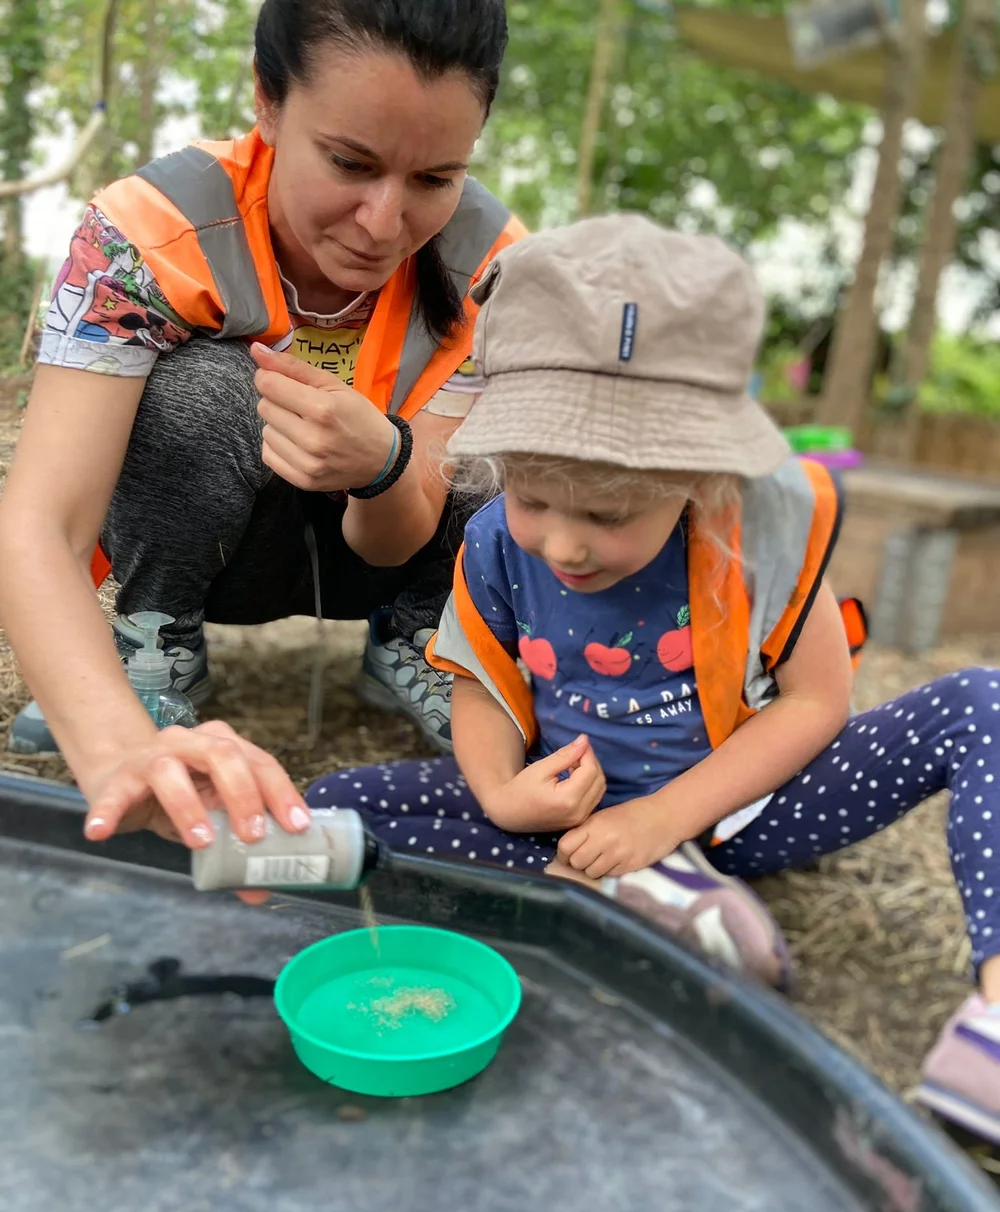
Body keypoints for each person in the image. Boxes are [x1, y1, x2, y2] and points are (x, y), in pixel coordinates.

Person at [307, 215, 1000, 1143]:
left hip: (747, 803)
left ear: (701, 478)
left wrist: (665, 820)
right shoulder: (494, 546)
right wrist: (507, 797)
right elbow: (478, 683)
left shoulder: (754, 531)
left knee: (983, 703)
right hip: (575, 805)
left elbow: (818, 700)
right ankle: (638, 891)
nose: (564, 542)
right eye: (535, 498)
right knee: (335, 807)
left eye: (608, 512)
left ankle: (992, 1018)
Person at [0, 0, 524, 851]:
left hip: (380, 549)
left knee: (514, 443)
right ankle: (152, 644)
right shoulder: (147, 235)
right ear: (268, 102)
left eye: (435, 179)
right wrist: (116, 747)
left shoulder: (497, 269)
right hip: (218, 547)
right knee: (200, 388)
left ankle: (425, 640)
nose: (385, 224)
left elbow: (404, 535)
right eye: (350, 163)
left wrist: (386, 462)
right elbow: (40, 523)